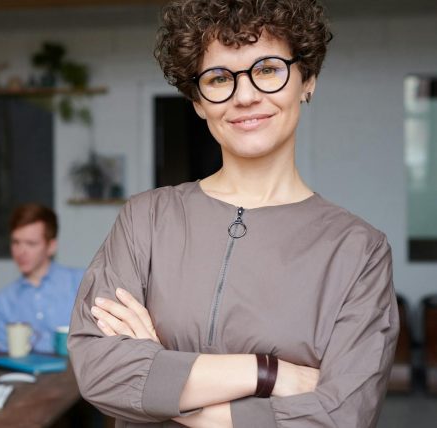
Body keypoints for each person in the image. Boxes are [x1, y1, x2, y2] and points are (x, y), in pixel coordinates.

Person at [69, 1, 399, 427]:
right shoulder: (145, 220)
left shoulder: (359, 251)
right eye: (220, 78)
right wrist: (269, 374)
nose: (245, 96)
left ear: (307, 80)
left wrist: (163, 386)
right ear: (198, 102)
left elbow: (340, 417)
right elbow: (101, 371)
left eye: (267, 69)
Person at [0, 204, 84, 354]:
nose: (21, 251)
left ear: (51, 246)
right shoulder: (4, 300)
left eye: (31, 243)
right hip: (24, 376)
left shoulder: (81, 283)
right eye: (16, 242)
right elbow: (0, 357)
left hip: (78, 375)